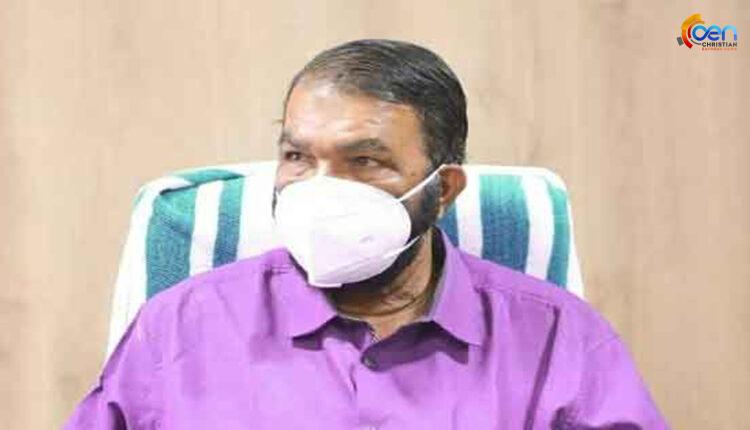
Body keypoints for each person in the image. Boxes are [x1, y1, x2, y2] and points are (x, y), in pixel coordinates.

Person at [65, 39, 668, 429]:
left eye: (366, 161)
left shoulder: (559, 340)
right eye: (298, 157)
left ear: (443, 188)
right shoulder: (180, 329)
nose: (320, 189)